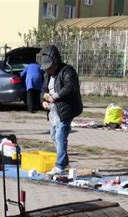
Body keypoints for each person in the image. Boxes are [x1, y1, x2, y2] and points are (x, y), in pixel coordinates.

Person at [40, 45, 83, 175]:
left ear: (55, 62)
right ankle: (64, 161)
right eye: (47, 68)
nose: (49, 70)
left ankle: (59, 166)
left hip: (67, 109)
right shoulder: (47, 74)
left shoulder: (67, 71)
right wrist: (43, 100)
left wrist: (55, 96)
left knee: (60, 136)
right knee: (54, 135)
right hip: (54, 111)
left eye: (50, 67)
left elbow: (70, 87)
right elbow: (43, 89)